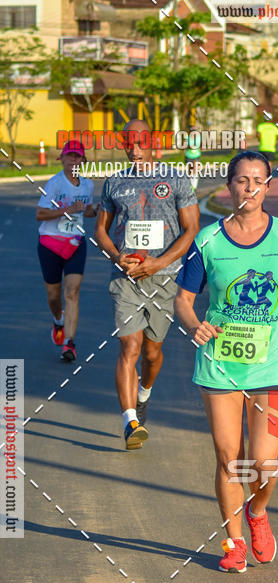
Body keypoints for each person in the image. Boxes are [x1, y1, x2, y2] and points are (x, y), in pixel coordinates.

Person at [174, 150, 278, 573]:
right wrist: (194, 324)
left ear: (268, 187)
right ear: (229, 186)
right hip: (220, 362)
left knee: (262, 463)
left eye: (259, 180)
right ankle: (235, 542)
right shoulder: (208, 240)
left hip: (272, 362)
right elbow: (183, 300)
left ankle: (258, 512)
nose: (250, 188)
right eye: (242, 180)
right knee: (228, 457)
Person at [95, 119, 199, 449]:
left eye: (140, 142)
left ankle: (144, 394)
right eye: (129, 142)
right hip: (126, 279)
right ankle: (130, 423)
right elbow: (101, 231)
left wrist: (159, 263)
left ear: (153, 143)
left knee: (152, 353)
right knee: (130, 347)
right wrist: (116, 258)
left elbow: (191, 228)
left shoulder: (176, 179)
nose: (134, 148)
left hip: (164, 279)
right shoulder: (113, 182)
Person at [36, 139, 97, 362]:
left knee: (72, 292)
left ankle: (69, 344)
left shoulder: (88, 185)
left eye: (77, 156)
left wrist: (94, 211)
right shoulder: (55, 184)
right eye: (69, 155)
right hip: (50, 244)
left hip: (75, 243)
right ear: (61, 159)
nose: (73, 160)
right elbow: (40, 214)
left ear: (83, 160)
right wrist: (66, 210)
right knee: (54, 296)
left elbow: (87, 211)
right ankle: (58, 320)